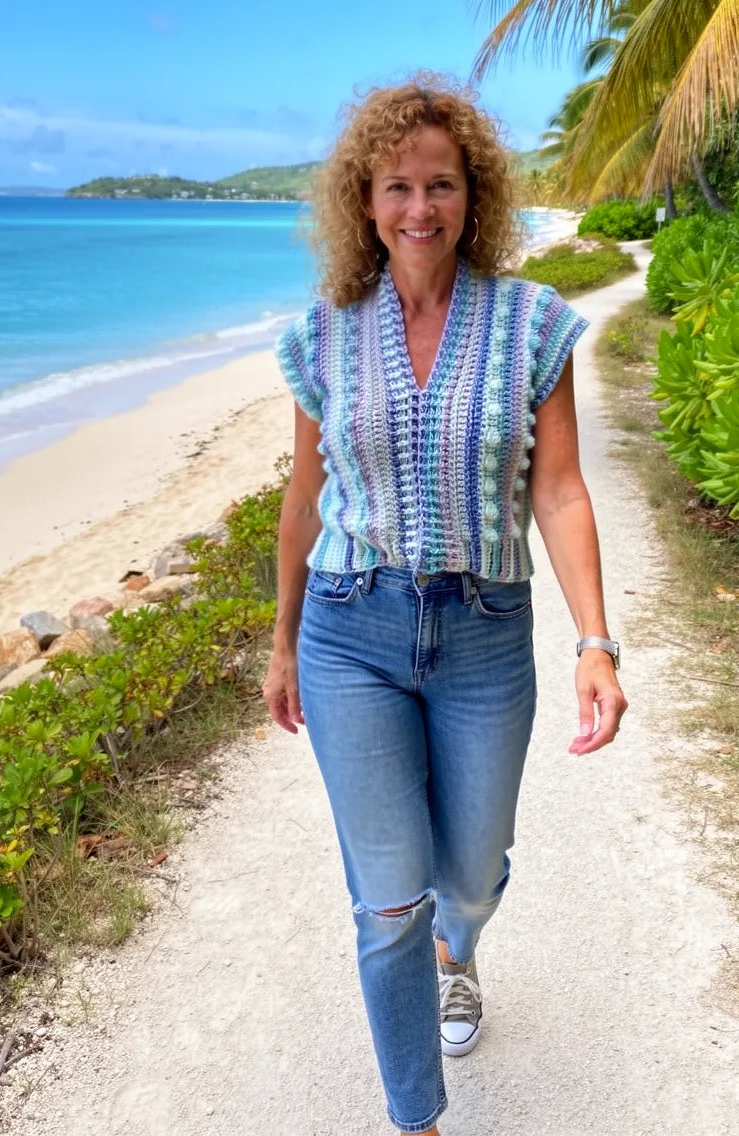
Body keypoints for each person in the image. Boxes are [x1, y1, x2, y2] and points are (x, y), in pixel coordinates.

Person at [266, 76, 627, 1136]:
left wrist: (594, 643)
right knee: (386, 900)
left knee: (466, 874)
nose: (417, 209)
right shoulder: (322, 335)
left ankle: (456, 949)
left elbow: (558, 490)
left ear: (476, 196)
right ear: (362, 200)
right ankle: (414, 1116)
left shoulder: (531, 326)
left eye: (440, 185)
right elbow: (301, 499)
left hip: (482, 633)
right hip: (350, 628)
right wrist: (282, 641)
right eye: (395, 187)